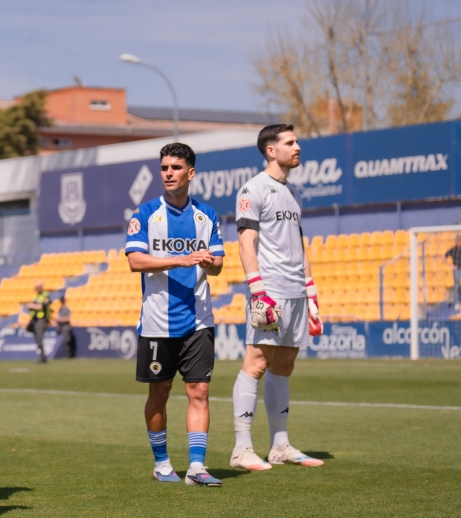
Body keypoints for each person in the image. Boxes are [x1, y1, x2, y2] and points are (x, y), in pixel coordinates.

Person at [125, 142, 225, 487]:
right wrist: (179, 260)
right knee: (159, 394)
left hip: (199, 320)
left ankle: (197, 467)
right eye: (165, 168)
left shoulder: (207, 216)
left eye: (176, 168)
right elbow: (135, 261)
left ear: (190, 173)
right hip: (157, 323)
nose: (168, 173)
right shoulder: (146, 214)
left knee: (199, 392)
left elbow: (218, 267)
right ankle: (162, 461)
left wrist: (210, 263)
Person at [229, 123, 325, 472]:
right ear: (271, 150)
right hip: (269, 291)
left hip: (296, 290)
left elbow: (300, 245)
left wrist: (311, 292)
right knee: (256, 364)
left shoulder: (293, 192)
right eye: (290, 142)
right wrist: (258, 291)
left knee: (284, 366)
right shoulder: (253, 189)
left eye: (296, 141)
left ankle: (280, 446)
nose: (297, 147)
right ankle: (241, 449)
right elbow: (246, 243)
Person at [25, 281, 52, 363]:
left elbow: (42, 306)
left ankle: (43, 357)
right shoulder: (36, 296)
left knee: (39, 337)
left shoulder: (45, 295)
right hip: (34, 319)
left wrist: (32, 306)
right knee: (37, 338)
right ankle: (42, 356)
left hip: (41, 319)